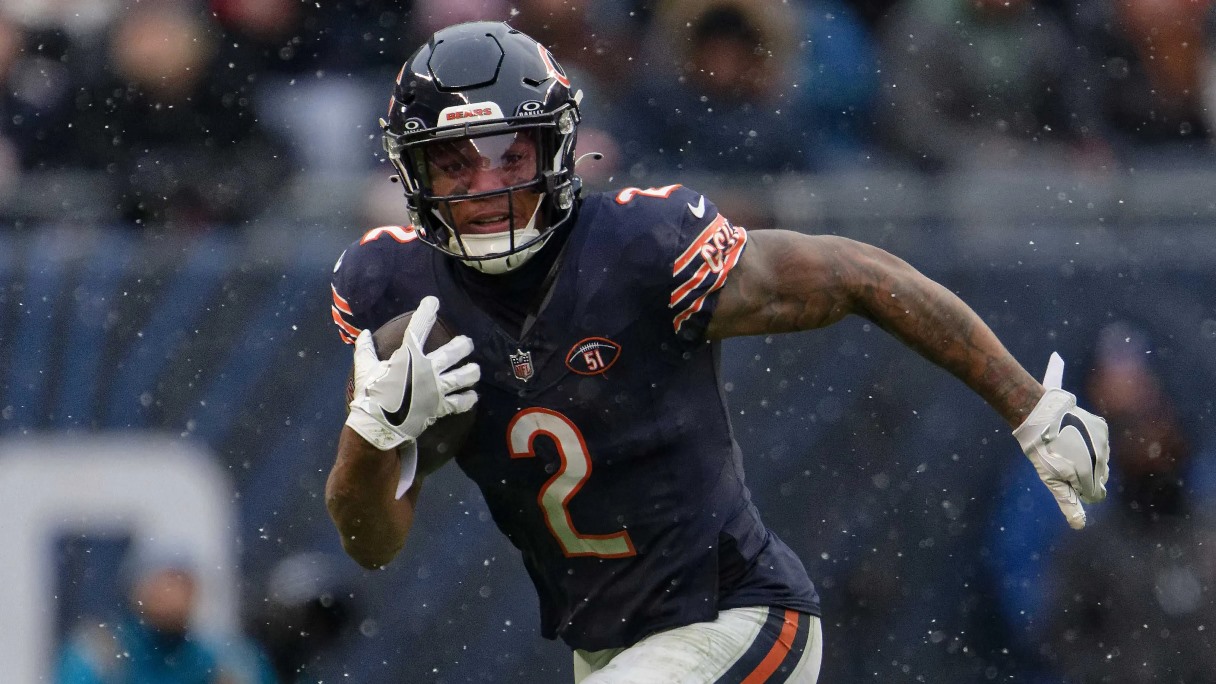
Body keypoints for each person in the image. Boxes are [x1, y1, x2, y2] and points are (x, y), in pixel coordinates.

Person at [325, 21, 1111, 682]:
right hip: (608, 653)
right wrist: (371, 432)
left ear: (556, 147)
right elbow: (373, 542)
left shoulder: (640, 248)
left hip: (738, 616)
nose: (486, 188)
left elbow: (856, 275)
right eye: (454, 163)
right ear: (411, 173)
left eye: (509, 155)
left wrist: (1029, 405)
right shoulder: (399, 298)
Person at [56, 543, 276, 684]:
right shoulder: (99, 654)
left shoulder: (227, 659)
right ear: (136, 589)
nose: (172, 593)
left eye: (182, 582)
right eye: (163, 581)